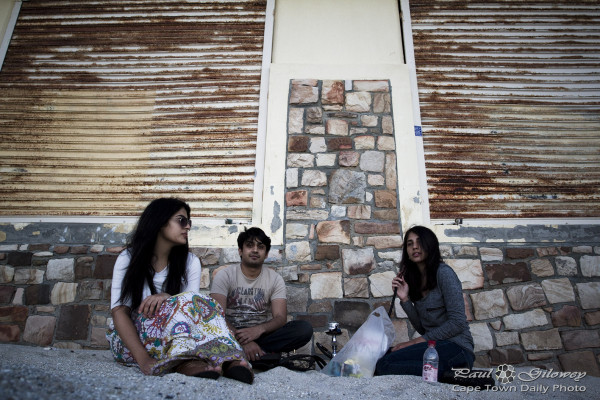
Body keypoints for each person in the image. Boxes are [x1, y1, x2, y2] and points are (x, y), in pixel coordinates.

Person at [106, 198, 253, 383]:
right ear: (159, 221)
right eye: (181, 220)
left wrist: (167, 297)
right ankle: (190, 362)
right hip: (132, 342)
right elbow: (119, 312)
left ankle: (225, 359)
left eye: (189, 222)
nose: (188, 227)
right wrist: (143, 360)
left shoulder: (190, 262)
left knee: (203, 304)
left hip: (175, 336)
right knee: (190, 301)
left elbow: (192, 311)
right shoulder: (128, 258)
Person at [375, 225, 474, 379]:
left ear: (430, 245)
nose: (415, 246)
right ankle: (446, 373)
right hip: (434, 348)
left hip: (457, 349)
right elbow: (424, 328)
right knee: (383, 357)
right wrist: (405, 299)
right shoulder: (415, 281)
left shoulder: (444, 273)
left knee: (385, 365)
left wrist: (414, 343)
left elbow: (458, 322)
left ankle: (458, 376)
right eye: (410, 243)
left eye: (420, 242)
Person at [210, 227, 313, 364]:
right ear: (240, 251)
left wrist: (258, 330)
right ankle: (256, 355)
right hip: (230, 334)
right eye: (249, 245)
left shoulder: (275, 279)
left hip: (261, 337)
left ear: (266, 254)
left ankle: (245, 355)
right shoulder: (225, 275)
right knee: (210, 327)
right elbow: (216, 316)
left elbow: (280, 318)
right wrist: (244, 341)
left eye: (260, 246)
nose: (255, 250)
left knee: (303, 329)